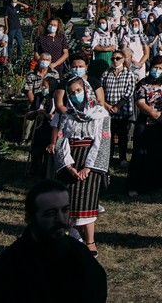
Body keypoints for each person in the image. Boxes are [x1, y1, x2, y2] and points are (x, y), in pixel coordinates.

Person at [0, 179, 107, 303]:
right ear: (30, 218)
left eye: (65, 210)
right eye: (50, 213)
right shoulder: (4, 270)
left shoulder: (81, 255)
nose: (60, 219)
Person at [54, 76, 110, 254]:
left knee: (87, 200)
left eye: (78, 91)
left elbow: (102, 142)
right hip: (71, 159)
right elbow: (61, 139)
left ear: (86, 91)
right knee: (70, 200)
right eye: (72, 93)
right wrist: (68, 165)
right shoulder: (67, 115)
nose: (76, 95)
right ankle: (74, 236)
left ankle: (90, 241)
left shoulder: (100, 113)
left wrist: (88, 167)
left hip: (90, 161)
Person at [128, 56, 162, 196]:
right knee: (140, 153)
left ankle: (161, 183)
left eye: (160, 68)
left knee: (161, 151)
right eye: (154, 68)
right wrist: (152, 113)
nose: (157, 71)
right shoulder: (142, 83)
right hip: (145, 120)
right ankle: (136, 184)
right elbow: (140, 102)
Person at [99, 51, 137, 170]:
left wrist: (117, 106)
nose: (115, 61)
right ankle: (108, 158)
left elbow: (129, 92)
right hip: (107, 110)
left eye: (118, 58)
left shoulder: (129, 74)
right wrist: (107, 105)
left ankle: (122, 158)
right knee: (108, 136)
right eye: (113, 58)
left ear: (123, 59)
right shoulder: (106, 73)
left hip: (123, 110)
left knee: (122, 136)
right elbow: (100, 91)